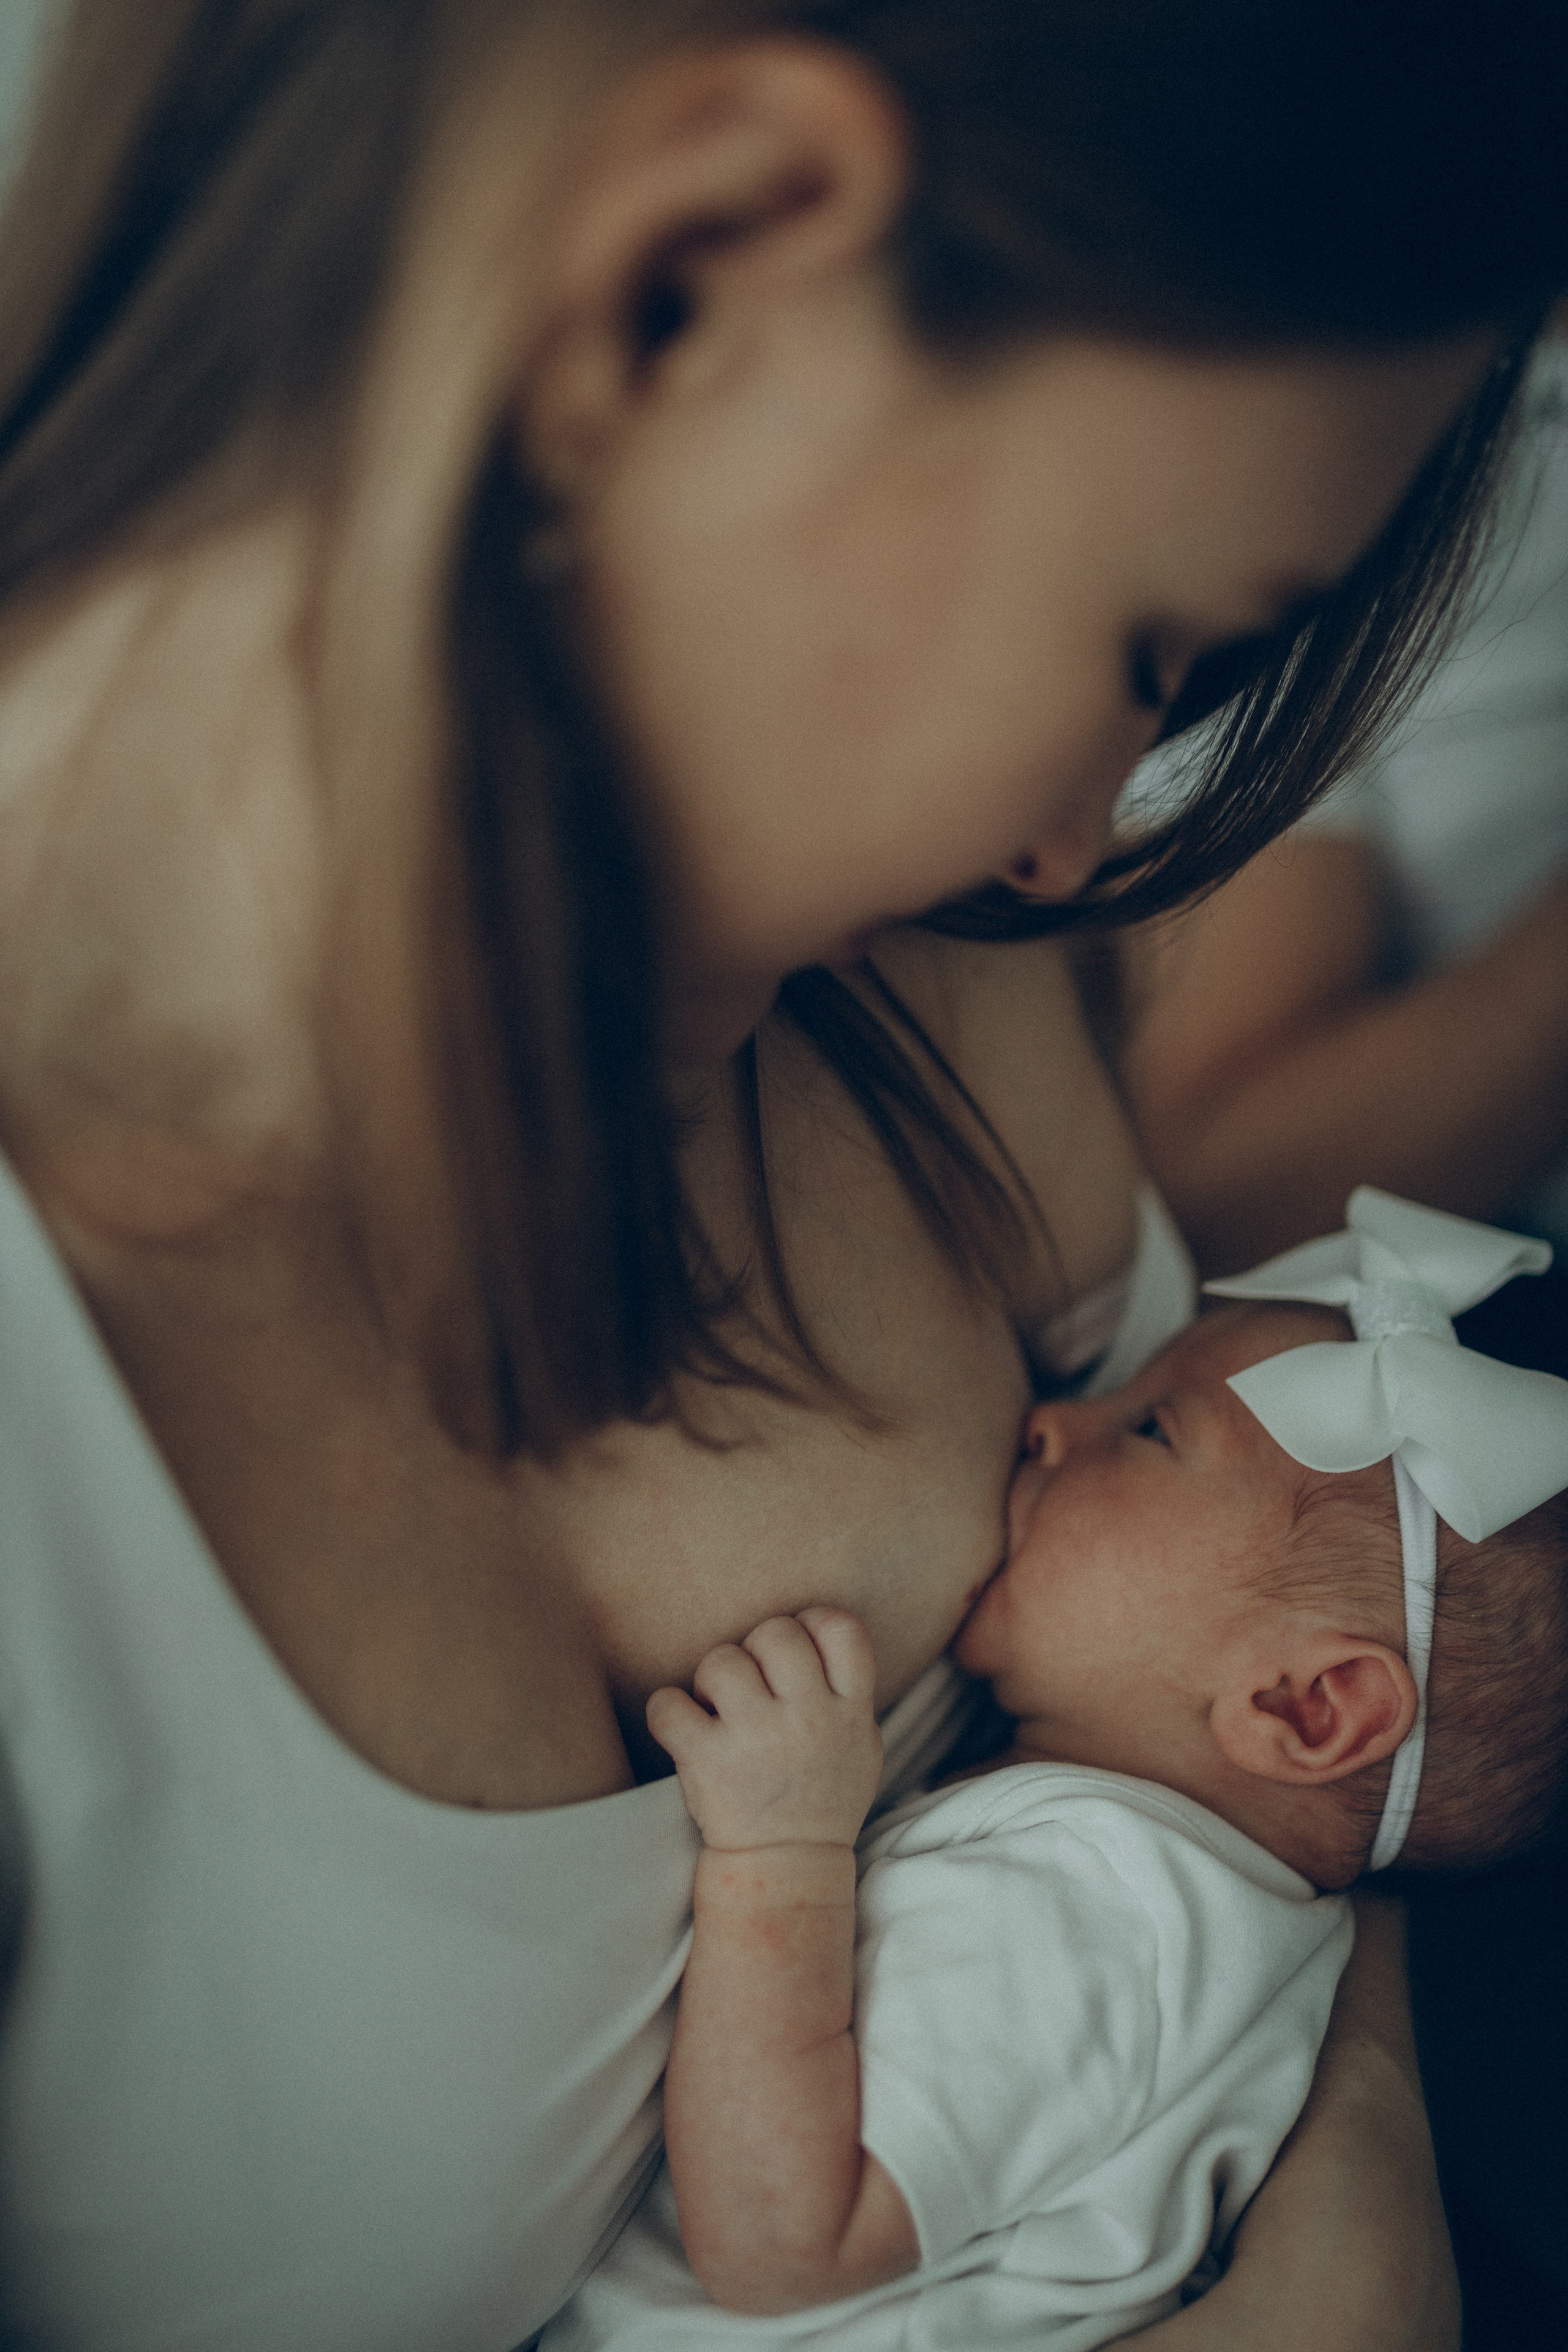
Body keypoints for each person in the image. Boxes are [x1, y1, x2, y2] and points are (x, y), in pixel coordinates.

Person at [0, 5, 1566, 2346]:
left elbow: (1322, 1732)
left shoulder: (894, 959)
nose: (1076, 850)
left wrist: (1355, 2166)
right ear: (691, 274)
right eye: (1154, 647)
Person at [543, 1196, 1568, 2350]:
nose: (1051, 1421)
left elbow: (782, 2237)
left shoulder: (1108, 1907)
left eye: (1152, 1430)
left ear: (1303, 1705)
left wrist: (780, 1854)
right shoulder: (1206, 1920)